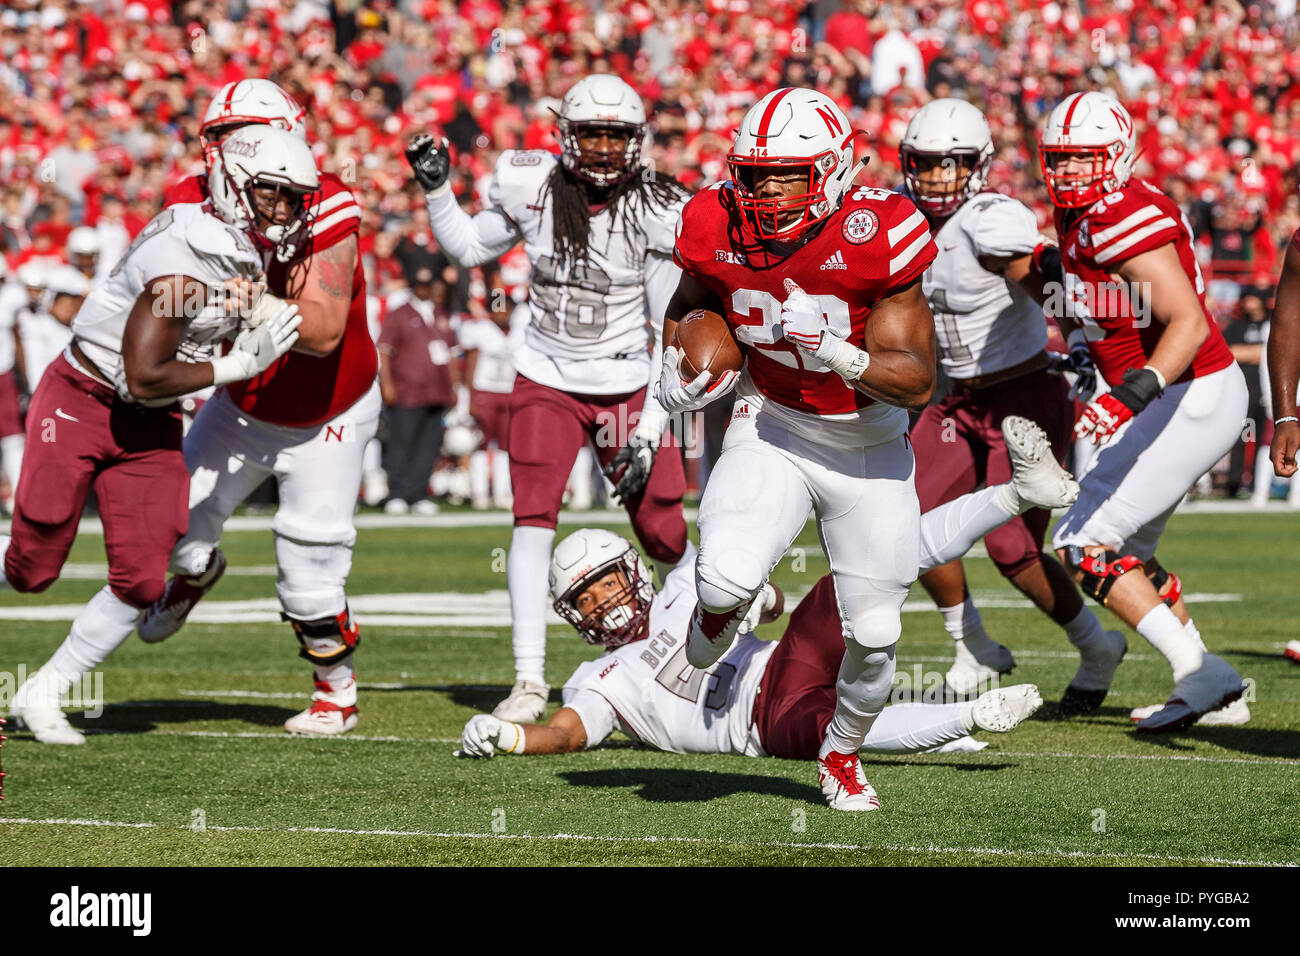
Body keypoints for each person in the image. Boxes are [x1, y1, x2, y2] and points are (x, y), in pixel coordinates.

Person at [659, 87, 1072, 811]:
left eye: (788, 172)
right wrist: (675, 367)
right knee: (722, 582)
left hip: (868, 447)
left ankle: (842, 754)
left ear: (836, 168)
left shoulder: (879, 229)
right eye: (755, 173)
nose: (766, 190)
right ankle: (715, 614)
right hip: (773, 426)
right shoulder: (710, 217)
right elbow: (692, 304)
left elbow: (915, 382)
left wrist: (835, 353)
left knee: (876, 633)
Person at [457, 417, 1072, 762]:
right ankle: (970, 716)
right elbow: (565, 733)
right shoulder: (597, 679)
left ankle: (1017, 494)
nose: (602, 603)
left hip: (787, 660)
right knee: (834, 729)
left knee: (878, 560)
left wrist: (762, 601)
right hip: (760, 726)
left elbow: (769, 599)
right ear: (572, 617)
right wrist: (509, 736)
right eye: (584, 599)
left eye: (604, 584)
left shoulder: (680, 582)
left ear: (633, 571)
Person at [5, 126, 308, 744]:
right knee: (32, 567)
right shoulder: (184, 258)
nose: (282, 211)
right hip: (86, 399)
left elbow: (167, 369)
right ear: (233, 184)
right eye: (272, 195)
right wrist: (239, 364)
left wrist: (248, 310)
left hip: (151, 420)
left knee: (143, 578)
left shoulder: (231, 243)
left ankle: (43, 693)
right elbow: (143, 376)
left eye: (291, 198)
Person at [406, 74, 692, 722]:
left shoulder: (657, 207)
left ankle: (717, 625)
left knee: (663, 529)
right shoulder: (530, 185)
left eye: (615, 135)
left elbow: (668, 333)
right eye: (591, 132)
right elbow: (469, 245)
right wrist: (436, 189)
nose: (602, 148)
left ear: (637, 140)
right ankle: (530, 679)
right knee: (531, 522)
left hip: (625, 382)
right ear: (566, 134)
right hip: (545, 377)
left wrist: (647, 430)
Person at [137, 79, 381, 737]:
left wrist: (249, 304)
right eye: (219, 138)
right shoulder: (189, 202)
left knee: (309, 561)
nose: (220, 151)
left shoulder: (326, 203)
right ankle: (197, 570)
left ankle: (337, 690)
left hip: (328, 409)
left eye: (234, 137)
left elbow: (324, 331)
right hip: (242, 399)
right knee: (173, 525)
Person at [899, 98, 1120, 707]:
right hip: (952, 398)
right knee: (903, 522)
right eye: (925, 164)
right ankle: (973, 647)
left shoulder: (989, 219)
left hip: (1023, 393)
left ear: (977, 165)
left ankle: (1097, 645)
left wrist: (1078, 341)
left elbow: (1045, 277)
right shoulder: (898, 216)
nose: (937, 178)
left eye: (951, 164)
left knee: (1011, 548)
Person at [1039, 91, 1248, 732]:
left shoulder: (1119, 216)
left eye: (1086, 159)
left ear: (1120, 153)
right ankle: (1226, 696)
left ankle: (1200, 673)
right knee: (1130, 550)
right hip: (1178, 393)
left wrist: (1130, 392)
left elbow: (1185, 321)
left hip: (1190, 389)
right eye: (1062, 160)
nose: (1071, 173)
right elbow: (1100, 306)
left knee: (1083, 543)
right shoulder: (1088, 214)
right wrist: (1082, 350)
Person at [377, 263, 460, 515]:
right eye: (420, 285)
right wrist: (387, 385)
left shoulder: (441, 314)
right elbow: (384, 352)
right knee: (402, 442)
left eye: (428, 284)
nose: (424, 289)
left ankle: (419, 491)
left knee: (429, 444)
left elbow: (453, 354)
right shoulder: (399, 314)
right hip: (407, 390)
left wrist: (456, 387)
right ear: (413, 287)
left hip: (436, 391)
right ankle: (398, 492)